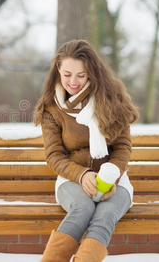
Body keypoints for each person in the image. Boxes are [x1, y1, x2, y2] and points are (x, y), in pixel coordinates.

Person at [33, 40, 139, 262]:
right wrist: (82, 175)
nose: (73, 82)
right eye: (67, 74)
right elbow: (54, 156)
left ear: (92, 73)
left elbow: (122, 146)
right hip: (71, 179)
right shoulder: (51, 108)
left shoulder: (112, 100)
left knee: (106, 213)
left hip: (115, 179)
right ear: (58, 71)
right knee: (82, 208)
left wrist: (111, 177)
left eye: (81, 75)